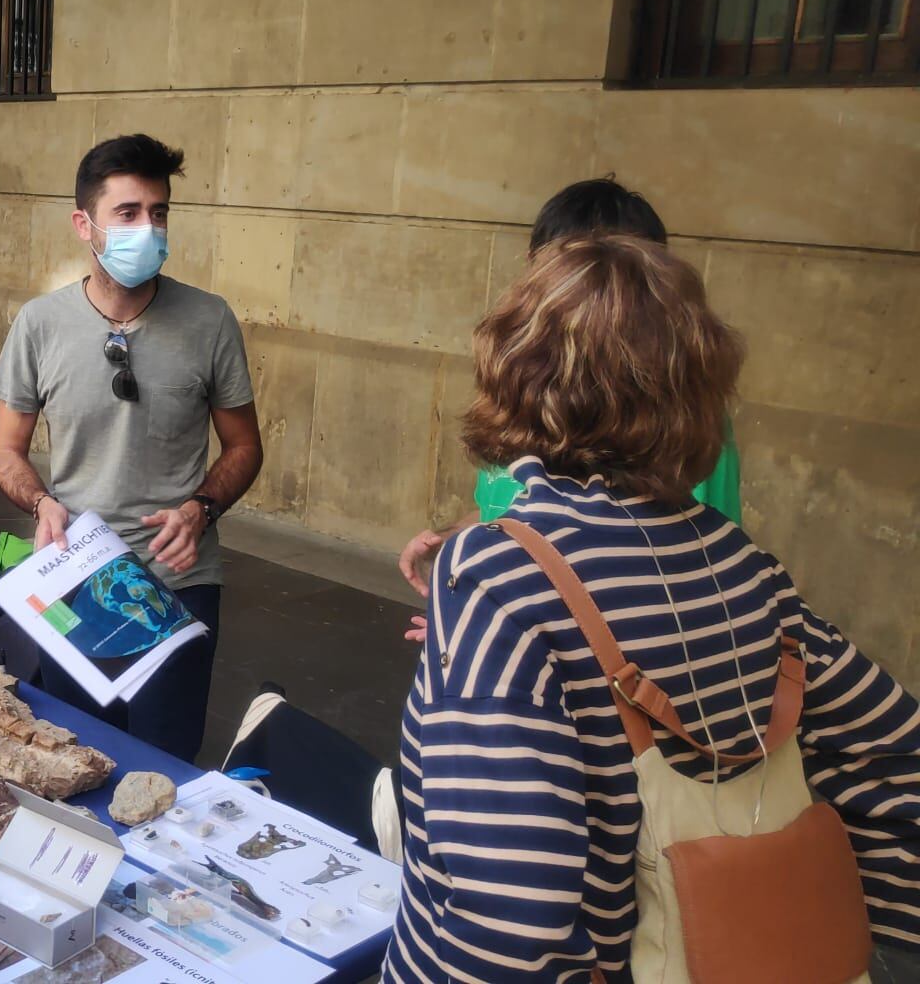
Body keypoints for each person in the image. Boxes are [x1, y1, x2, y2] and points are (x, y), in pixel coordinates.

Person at [383, 235, 920, 981]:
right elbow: (894, 749)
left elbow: (509, 911)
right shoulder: (745, 564)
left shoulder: (498, 575)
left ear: (515, 371)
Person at [0, 134, 264, 762]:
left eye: (159, 211)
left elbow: (244, 446)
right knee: (74, 759)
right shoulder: (39, 324)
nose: (149, 227)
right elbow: (6, 450)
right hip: (76, 578)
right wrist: (40, 503)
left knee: (163, 770)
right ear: (84, 224)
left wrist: (202, 509)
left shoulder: (210, 320)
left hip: (178, 581)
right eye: (129, 213)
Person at [396, 177, 742, 640]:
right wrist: (455, 542)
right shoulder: (526, 397)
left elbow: (689, 571)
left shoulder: (680, 423)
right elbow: (509, 512)